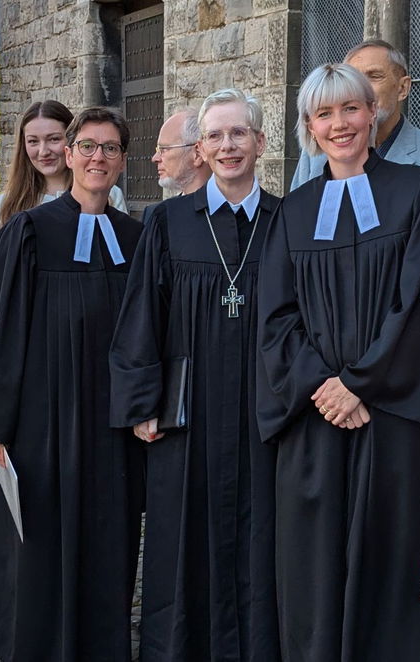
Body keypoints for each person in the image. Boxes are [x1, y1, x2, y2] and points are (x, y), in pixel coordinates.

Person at [258, 62, 420, 662]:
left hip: (391, 413)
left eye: (350, 109)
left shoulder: (417, 190)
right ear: (308, 127)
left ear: (374, 113)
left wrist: (361, 383)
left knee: (391, 551)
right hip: (316, 414)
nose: (339, 124)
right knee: (312, 558)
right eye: (324, 113)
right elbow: (276, 316)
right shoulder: (293, 211)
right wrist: (324, 385)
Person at [0, 106, 145, 662]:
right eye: (87, 146)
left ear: (122, 160)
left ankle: (101, 642)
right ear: (68, 156)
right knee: (38, 535)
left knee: (109, 530)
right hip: (42, 413)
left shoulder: (137, 236)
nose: (98, 157)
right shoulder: (30, 230)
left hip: (112, 414)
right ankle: (36, 645)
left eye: (110, 148)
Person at [111, 88, 280, 662]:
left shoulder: (286, 220)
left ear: (260, 142)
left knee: (261, 535)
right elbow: (141, 315)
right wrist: (141, 402)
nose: (228, 146)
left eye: (239, 134)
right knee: (180, 536)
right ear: (201, 149)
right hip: (186, 409)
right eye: (215, 136)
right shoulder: (167, 222)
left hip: (265, 412)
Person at [289, 39, 420, 188]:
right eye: (353, 80)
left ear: (403, 88)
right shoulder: (315, 157)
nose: (361, 89)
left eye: (374, 76)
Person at [0, 100, 127, 223]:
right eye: (33, 141)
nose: (43, 151)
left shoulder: (111, 195)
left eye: (54, 139)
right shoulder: (7, 203)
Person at [152, 109, 206, 196]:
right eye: (157, 149)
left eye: (164, 149)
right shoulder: (163, 209)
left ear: (197, 154)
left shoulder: (228, 207)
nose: (155, 158)